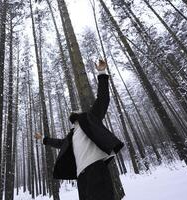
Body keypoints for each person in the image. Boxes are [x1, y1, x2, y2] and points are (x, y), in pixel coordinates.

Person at [34, 60, 124, 200]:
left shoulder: (89, 119)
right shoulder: (72, 136)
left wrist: (101, 73)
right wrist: (42, 139)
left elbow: (103, 99)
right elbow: (58, 143)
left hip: (96, 167)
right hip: (81, 176)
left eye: (75, 112)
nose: (72, 113)